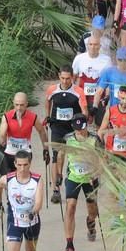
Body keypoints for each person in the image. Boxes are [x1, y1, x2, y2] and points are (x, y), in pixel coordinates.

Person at [45, 66, 88, 204]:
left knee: (72, 155)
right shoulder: (52, 89)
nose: (65, 81)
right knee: (56, 156)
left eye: (68, 78)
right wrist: (47, 115)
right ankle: (56, 189)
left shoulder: (78, 91)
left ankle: (73, 179)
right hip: (57, 127)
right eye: (62, 78)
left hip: (72, 128)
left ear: (72, 77)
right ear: (59, 76)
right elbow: (48, 100)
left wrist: (82, 124)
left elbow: (84, 109)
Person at [62, 114, 103, 251]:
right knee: (70, 207)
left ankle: (90, 224)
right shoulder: (67, 139)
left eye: (82, 128)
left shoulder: (94, 139)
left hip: (90, 179)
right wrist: (57, 176)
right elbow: (60, 156)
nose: (79, 131)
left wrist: (96, 173)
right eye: (77, 129)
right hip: (73, 178)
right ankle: (69, 245)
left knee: (93, 212)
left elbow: (102, 159)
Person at [0, 151, 43, 251]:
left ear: (30, 164)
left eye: (25, 165)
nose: (22, 168)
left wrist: (33, 212)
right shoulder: (7, 179)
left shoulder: (37, 180)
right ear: (15, 164)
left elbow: (39, 202)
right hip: (14, 221)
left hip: (32, 222)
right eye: (19, 165)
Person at [93, 47, 126, 125]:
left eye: (125, 60)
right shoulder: (109, 72)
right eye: (120, 60)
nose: (122, 63)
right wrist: (95, 106)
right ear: (116, 59)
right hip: (115, 111)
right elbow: (99, 91)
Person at [0, 93, 49, 172]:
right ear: (13, 103)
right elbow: (1, 135)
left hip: (25, 152)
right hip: (10, 152)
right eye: (16, 105)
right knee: (8, 178)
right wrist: (2, 138)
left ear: (26, 104)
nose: (19, 108)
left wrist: (46, 149)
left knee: (22, 175)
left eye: (22, 105)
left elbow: (41, 131)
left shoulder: (33, 117)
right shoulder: (7, 116)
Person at [97, 85, 126, 159]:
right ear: (119, 96)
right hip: (112, 152)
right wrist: (101, 147)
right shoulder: (110, 111)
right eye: (123, 98)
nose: (125, 102)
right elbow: (101, 131)